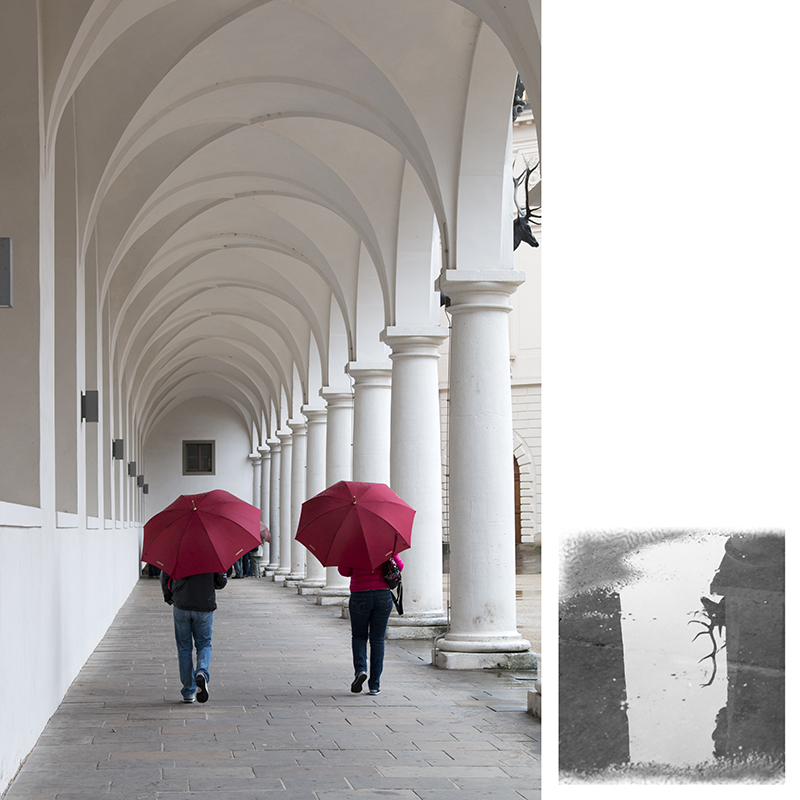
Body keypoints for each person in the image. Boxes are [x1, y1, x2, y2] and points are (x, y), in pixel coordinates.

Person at [338, 556, 403, 696]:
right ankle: (374, 685)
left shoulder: (352, 547)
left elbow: (343, 571)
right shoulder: (386, 544)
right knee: (378, 640)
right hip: (383, 596)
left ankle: (361, 670)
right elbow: (400, 566)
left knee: (359, 636)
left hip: (359, 596)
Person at [160, 570, 227, 703]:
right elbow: (221, 583)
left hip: (181, 604)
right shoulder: (211, 554)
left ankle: (189, 691)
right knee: (204, 644)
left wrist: (168, 596)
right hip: (204, 605)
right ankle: (201, 671)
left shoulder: (176, 551)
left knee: (184, 648)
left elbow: (165, 575)